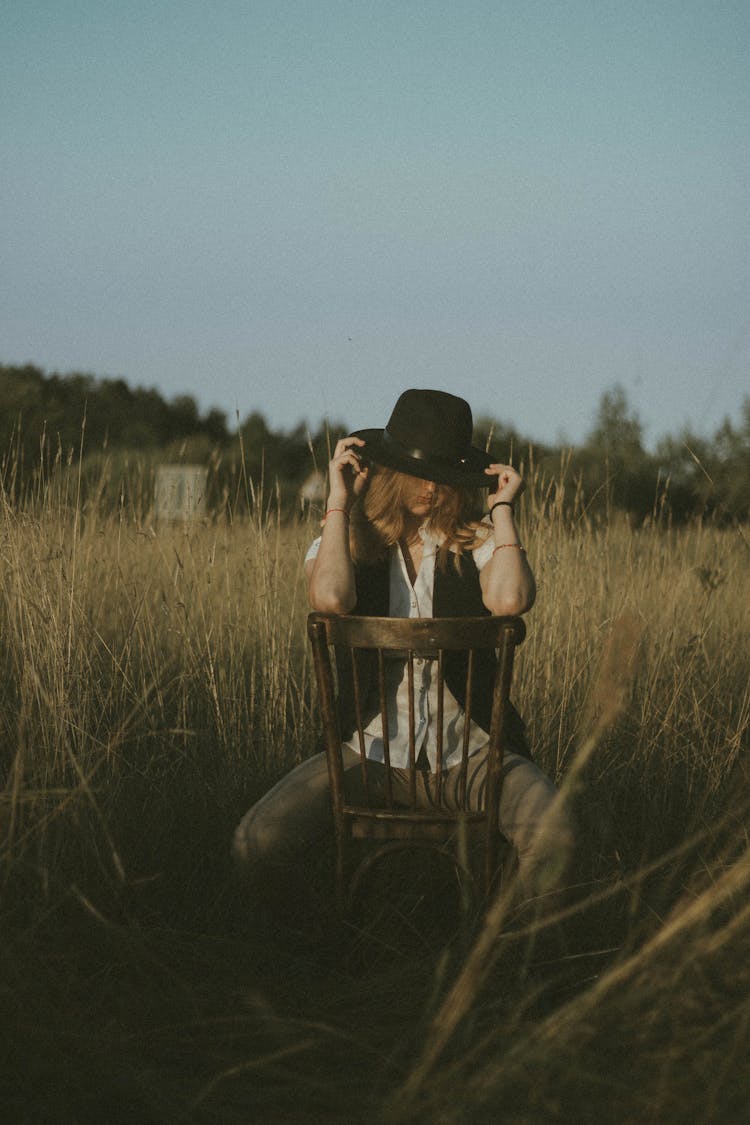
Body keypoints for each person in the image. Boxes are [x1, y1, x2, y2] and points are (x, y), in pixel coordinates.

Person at [233, 389, 573, 919]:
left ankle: (501, 961)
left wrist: (502, 509)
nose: (432, 488)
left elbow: (510, 601)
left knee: (556, 836)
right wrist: (339, 501)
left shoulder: (478, 542)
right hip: (366, 755)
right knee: (256, 842)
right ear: (389, 471)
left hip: (474, 754)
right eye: (418, 473)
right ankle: (322, 952)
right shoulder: (348, 541)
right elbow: (329, 599)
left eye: (443, 474)